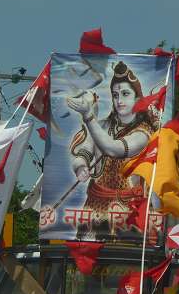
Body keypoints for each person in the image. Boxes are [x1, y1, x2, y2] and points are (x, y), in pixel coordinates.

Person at [67, 61, 161, 237]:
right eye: (115, 95)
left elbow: (114, 149)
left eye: (125, 94)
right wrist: (80, 167)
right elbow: (83, 153)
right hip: (95, 204)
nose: (119, 100)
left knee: (127, 258)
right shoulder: (102, 125)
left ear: (137, 97)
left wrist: (88, 117)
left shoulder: (144, 132)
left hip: (129, 208)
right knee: (83, 255)